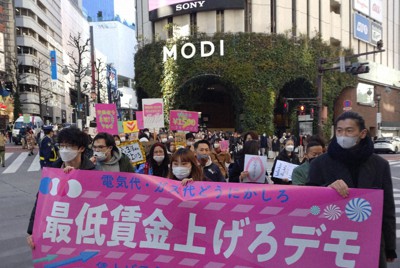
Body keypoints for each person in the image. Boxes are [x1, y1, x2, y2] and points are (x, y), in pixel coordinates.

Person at [307, 111, 396, 267]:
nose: (343, 135)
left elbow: (387, 208)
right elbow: (309, 204)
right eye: (339, 130)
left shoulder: (379, 165)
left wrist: (390, 247)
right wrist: (326, 190)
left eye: (349, 130)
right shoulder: (319, 163)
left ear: (362, 133)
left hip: (370, 240)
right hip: (332, 240)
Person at [27, 126, 95, 250]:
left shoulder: (93, 172)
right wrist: (32, 231)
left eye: (68, 146)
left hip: (84, 233)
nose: (64, 150)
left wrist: (78, 178)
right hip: (58, 230)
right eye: (61, 146)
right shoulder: (52, 171)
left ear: (81, 148)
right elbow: (40, 202)